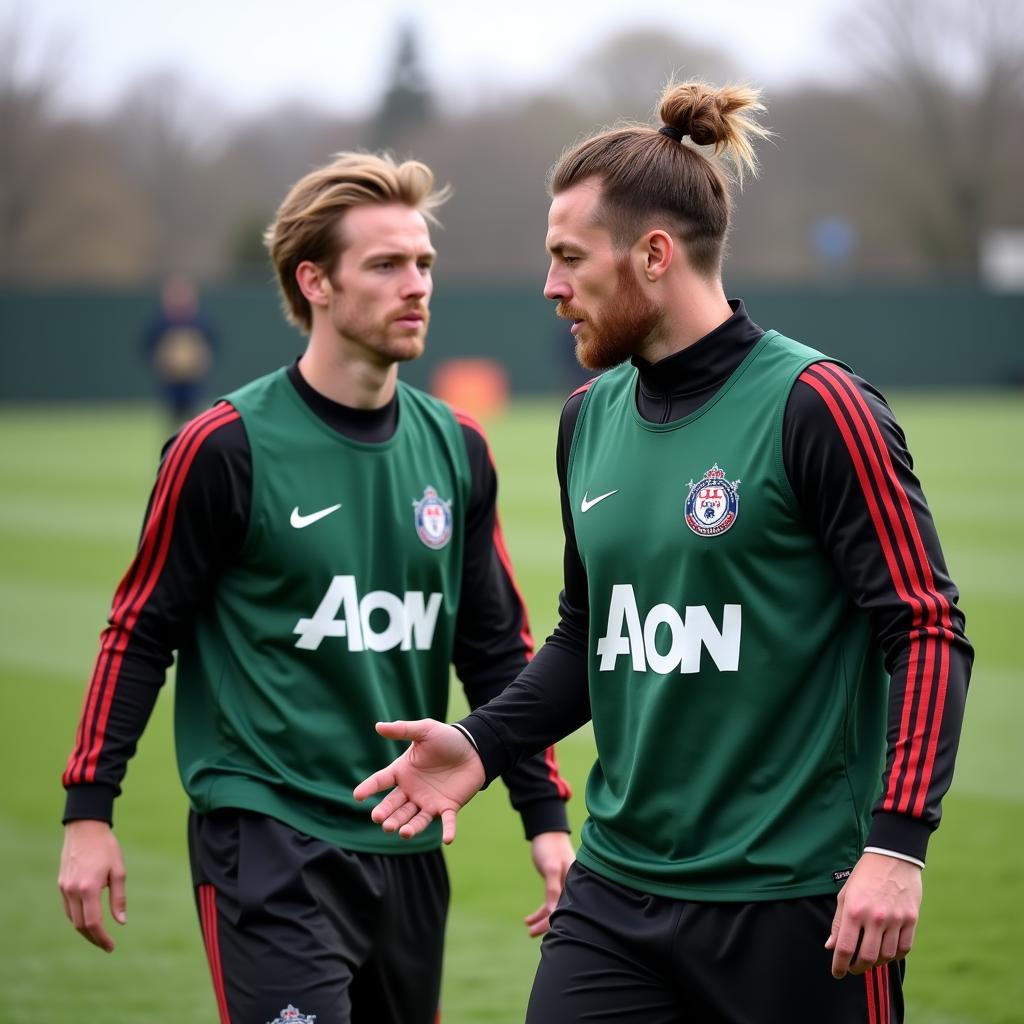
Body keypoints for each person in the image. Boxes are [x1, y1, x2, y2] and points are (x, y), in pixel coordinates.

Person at [354, 82, 973, 1024]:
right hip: (616, 897)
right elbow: (589, 641)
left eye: (568, 258)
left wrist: (896, 847)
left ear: (653, 255)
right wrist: (482, 743)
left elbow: (925, 631)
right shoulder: (586, 420)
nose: (551, 287)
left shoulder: (817, 405)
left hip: (797, 899)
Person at [58, 152, 575, 1024]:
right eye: (385, 265)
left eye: (424, 264)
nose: (416, 286)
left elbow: (494, 649)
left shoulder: (458, 447)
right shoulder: (223, 448)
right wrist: (88, 812)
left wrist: (545, 819)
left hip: (408, 833)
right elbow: (140, 631)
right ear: (315, 282)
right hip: (267, 838)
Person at [143, 275, 218, 427]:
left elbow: (212, 345)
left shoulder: (200, 321)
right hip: (171, 382)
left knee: (194, 421)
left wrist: (200, 363)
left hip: (193, 382)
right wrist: (163, 364)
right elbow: (148, 347)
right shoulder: (160, 323)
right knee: (173, 421)